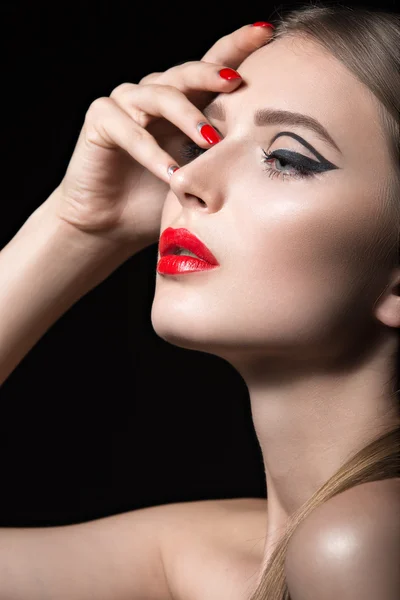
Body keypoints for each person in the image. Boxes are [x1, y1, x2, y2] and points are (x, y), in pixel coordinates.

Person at [0, 2, 399, 599]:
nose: (185, 179)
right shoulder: (204, 556)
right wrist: (81, 224)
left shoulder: (363, 540)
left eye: (286, 158)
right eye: (200, 142)